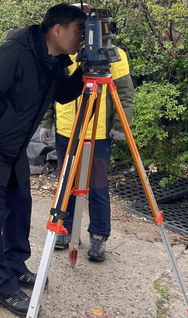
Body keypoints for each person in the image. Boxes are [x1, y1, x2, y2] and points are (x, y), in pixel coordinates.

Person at [0, 3, 87, 317]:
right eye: (79, 31)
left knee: (19, 208)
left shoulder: (53, 59)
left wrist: (84, 71)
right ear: (57, 29)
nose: (81, 38)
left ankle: (16, 265)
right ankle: (2, 287)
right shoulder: (14, 51)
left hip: (14, 149)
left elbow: (63, 94)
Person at [39, 28, 134, 263]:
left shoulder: (115, 55)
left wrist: (121, 126)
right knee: (66, 183)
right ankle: (65, 228)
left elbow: (124, 93)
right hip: (66, 130)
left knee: (98, 186)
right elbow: (53, 90)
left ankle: (99, 236)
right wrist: (47, 122)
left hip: (97, 133)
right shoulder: (66, 52)